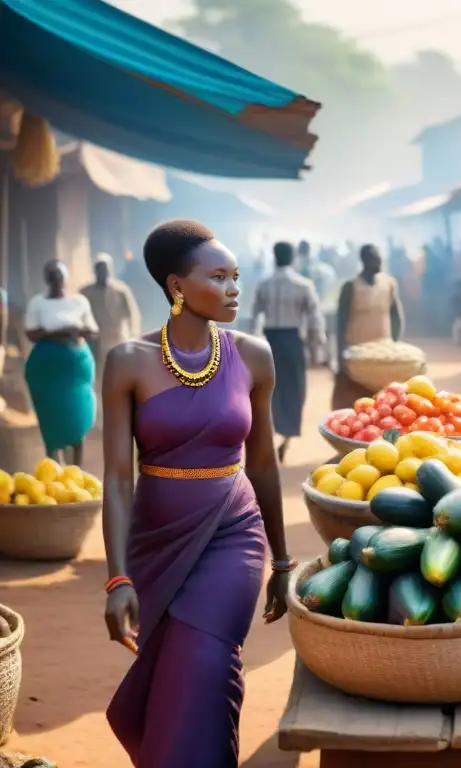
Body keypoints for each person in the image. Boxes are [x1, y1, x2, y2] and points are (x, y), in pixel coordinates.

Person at [102, 220, 292, 767]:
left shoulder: (253, 356)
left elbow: (263, 462)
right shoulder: (127, 361)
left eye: (237, 276)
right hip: (156, 541)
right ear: (176, 285)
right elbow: (117, 477)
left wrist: (281, 561)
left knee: (205, 666)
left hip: (234, 533)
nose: (236, 288)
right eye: (220, 276)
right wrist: (117, 578)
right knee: (166, 681)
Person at [252, 241, 327, 462]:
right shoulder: (303, 285)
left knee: (270, 386)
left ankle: (271, 430)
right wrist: (317, 350)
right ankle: (287, 435)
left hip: (270, 341)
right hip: (293, 340)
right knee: (295, 388)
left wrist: (252, 343)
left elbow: (255, 316)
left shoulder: (264, 285)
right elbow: (315, 319)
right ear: (293, 257)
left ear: (274, 257)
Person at [23, 260, 99, 464]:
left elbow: (92, 330)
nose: (57, 278)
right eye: (52, 275)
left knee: (77, 414)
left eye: (60, 274)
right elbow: (31, 333)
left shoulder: (79, 301)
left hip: (75, 365)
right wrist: (55, 332)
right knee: (51, 417)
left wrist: (76, 331)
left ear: (66, 277)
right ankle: (54, 469)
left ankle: (76, 469)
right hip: (47, 367)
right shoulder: (37, 303)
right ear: (46, 279)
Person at [332, 244, 405, 410]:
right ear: (365, 260)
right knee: (358, 401)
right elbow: (341, 323)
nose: (379, 262)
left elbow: (396, 316)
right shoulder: (350, 287)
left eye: (379, 258)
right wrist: (340, 356)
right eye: (375, 258)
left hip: (383, 353)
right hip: (358, 353)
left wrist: (396, 344)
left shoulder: (389, 284)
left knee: (385, 402)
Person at [81, 253, 142, 399]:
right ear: (94, 271)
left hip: (117, 340)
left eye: (106, 269)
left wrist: (134, 337)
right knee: (97, 377)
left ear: (111, 270)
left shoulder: (121, 290)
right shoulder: (85, 292)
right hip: (94, 343)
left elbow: (133, 314)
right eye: (99, 269)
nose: (103, 273)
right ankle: (100, 414)